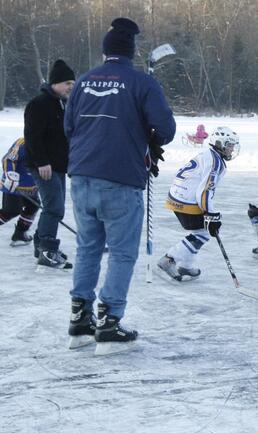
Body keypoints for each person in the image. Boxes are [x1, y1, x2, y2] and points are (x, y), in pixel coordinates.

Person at [64, 17, 176, 355]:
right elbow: (166, 129)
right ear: (132, 51)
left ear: (104, 51)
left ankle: (80, 319)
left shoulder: (83, 82)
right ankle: (109, 321)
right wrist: (146, 138)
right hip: (120, 180)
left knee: (87, 249)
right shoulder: (140, 82)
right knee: (123, 253)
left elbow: (69, 127)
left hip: (81, 178)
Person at [158, 127, 237, 281]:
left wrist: (209, 214)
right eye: (230, 145)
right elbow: (204, 191)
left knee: (200, 232)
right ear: (220, 144)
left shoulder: (208, 154)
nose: (232, 149)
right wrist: (210, 214)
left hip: (176, 197)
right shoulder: (216, 162)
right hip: (187, 200)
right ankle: (169, 259)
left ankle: (186, 265)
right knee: (203, 233)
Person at [24, 59, 75, 269]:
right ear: (54, 83)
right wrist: (42, 162)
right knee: (54, 206)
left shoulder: (63, 104)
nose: (71, 87)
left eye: (73, 83)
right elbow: (32, 137)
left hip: (58, 165)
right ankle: (47, 251)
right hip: (43, 166)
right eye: (67, 83)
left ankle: (42, 245)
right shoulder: (39, 104)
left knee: (56, 207)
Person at [0, 138, 40, 246]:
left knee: (32, 207)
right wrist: (10, 174)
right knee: (10, 211)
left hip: (32, 187)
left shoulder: (52, 144)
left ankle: (20, 234)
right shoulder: (24, 143)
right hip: (14, 185)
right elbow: (8, 159)